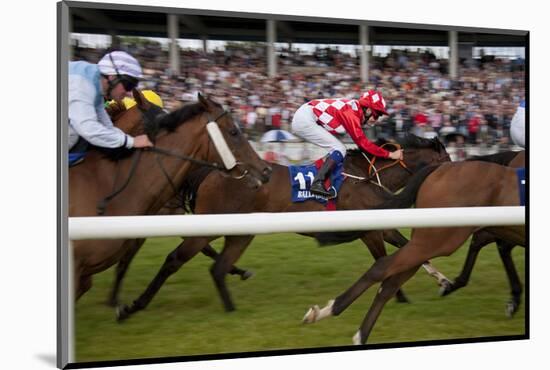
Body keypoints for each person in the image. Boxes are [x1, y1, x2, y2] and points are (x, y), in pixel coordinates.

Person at [291, 90, 403, 197]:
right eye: (377, 114)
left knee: (338, 149)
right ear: (368, 110)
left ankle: (323, 178)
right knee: (340, 149)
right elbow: (363, 143)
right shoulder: (351, 114)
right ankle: (317, 183)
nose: (377, 119)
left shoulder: (355, 110)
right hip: (305, 118)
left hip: (307, 115)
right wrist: (390, 154)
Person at [68, 50, 154, 153]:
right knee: (72, 135)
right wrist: (132, 142)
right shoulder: (82, 85)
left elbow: (107, 126)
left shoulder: (96, 84)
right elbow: (88, 129)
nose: (129, 93)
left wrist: (129, 140)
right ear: (112, 77)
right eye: (128, 86)